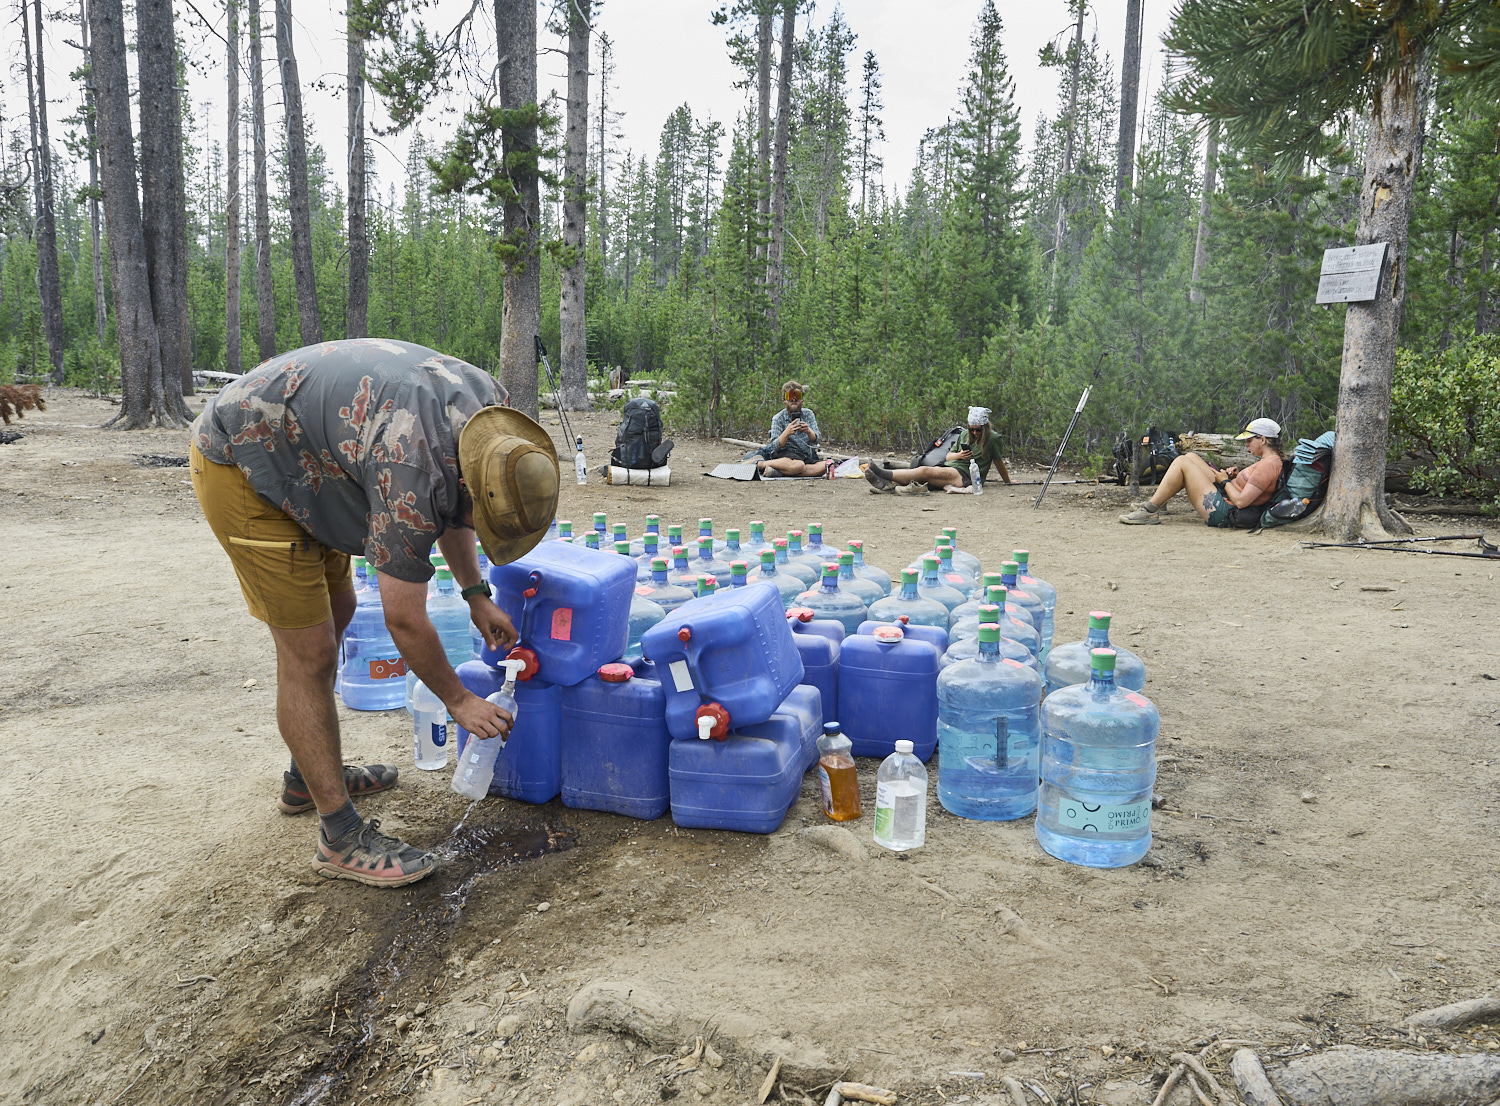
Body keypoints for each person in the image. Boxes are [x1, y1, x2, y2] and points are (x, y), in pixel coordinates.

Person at [190, 339, 560, 887]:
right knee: (308, 653)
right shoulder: (412, 468)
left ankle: (306, 778)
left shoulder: (492, 428)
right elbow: (404, 619)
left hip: (311, 456)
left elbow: (458, 508)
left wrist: (476, 593)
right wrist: (458, 701)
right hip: (244, 462)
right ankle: (338, 836)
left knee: (337, 610)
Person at [1118, 417, 1284, 526]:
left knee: (1182, 463)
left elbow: (1241, 501)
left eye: (1249, 440)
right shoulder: (1270, 462)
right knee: (1190, 456)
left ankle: (1149, 510)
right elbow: (1251, 486)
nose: (1246, 445)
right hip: (1226, 498)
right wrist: (1235, 476)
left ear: (1262, 439)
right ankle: (1158, 502)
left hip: (1225, 511)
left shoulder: (1267, 466)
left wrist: (1225, 481)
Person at [864, 406, 1012, 493]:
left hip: (965, 476)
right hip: (950, 467)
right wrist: (959, 455)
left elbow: (998, 461)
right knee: (922, 477)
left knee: (924, 471)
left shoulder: (993, 438)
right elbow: (948, 457)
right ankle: (884, 483)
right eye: (972, 429)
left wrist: (1008, 481)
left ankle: (882, 473)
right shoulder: (965, 435)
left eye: (978, 430)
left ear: (985, 427)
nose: (974, 433)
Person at [756, 381, 828, 477]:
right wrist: (786, 433)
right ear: (784, 400)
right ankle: (761, 464)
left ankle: (782, 471)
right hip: (786, 456)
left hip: (805, 455)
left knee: (825, 466)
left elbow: (817, 439)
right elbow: (774, 447)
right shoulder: (778, 418)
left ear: (801, 399)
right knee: (798, 465)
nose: (794, 399)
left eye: (797, 396)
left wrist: (808, 431)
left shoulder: (808, 414)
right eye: (790, 396)